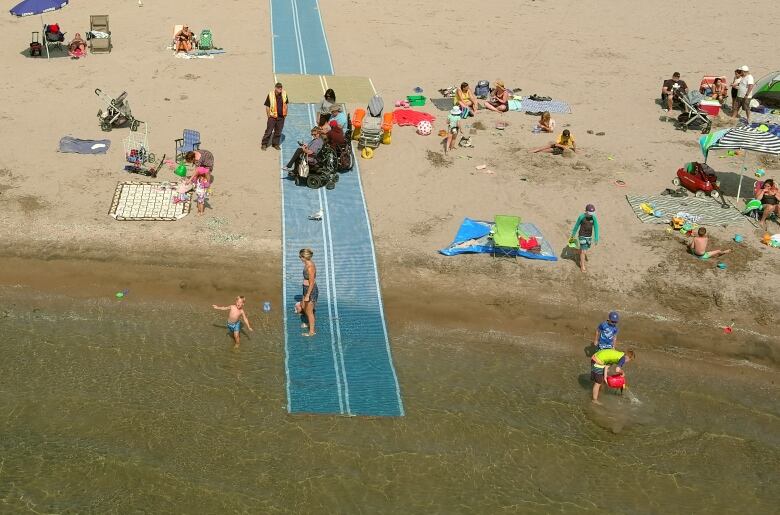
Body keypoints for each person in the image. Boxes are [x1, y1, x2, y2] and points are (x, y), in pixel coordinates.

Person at [570, 204, 599, 272]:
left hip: (589, 237)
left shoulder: (593, 218)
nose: (591, 215)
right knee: (584, 251)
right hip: (582, 235)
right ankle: (582, 265)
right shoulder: (581, 217)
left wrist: (596, 238)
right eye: (590, 213)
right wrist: (573, 235)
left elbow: (596, 228)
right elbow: (576, 226)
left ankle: (577, 251)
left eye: (592, 213)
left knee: (583, 250)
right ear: (586, 211)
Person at [262, 82, 288, 151]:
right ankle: (264, 144)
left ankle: (275, 144)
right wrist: (269, 116)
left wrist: (285, 114)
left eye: (281, 87)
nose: (280, 88)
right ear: (275, 88)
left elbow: (286, 104)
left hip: (281, 117)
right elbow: (267, 106)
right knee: (269, 131)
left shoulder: (284, 94)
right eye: (278, 87)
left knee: (278, 131)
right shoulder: (270, 95)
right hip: (272, 117)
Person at [299, 248, 318, 337]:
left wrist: (307, 295)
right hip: (305, 288)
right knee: (303, 306)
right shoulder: (306, 264)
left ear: (304, 257)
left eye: (300, 256)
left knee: (309, 311)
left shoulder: (310, 267)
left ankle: (311, 332)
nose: (299, 258)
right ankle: (308, 323)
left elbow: (312, 283)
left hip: (310, 290)